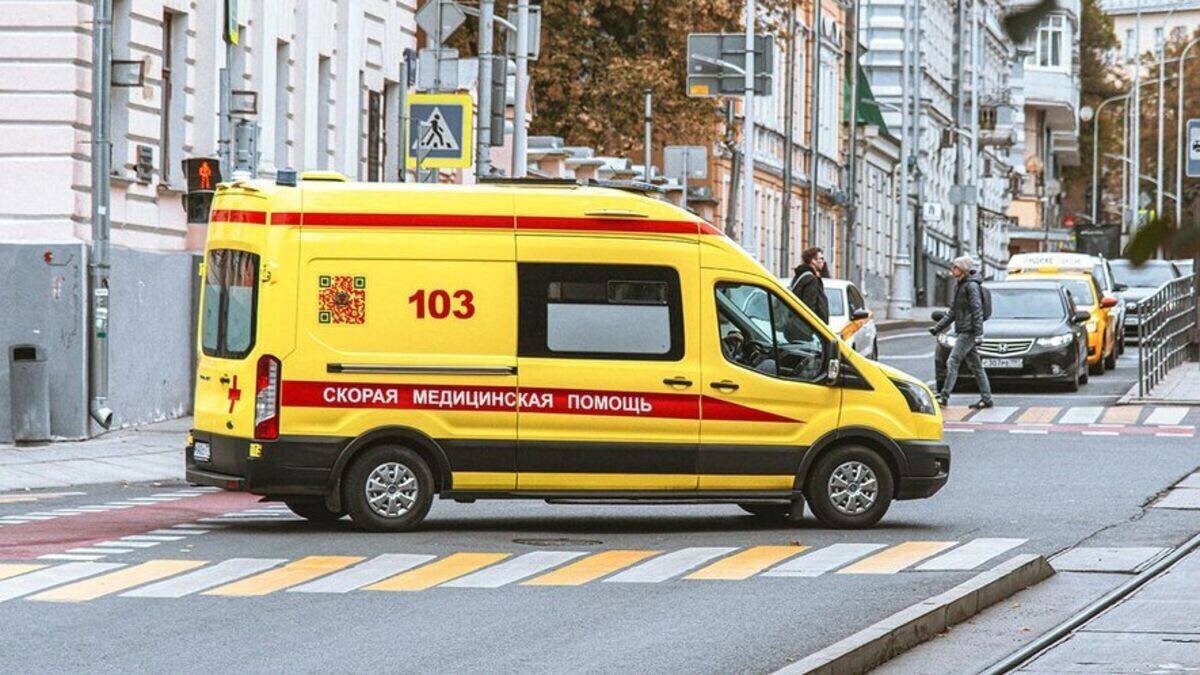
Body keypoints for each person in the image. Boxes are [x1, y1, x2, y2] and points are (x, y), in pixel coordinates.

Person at [930, 256, 993, 409]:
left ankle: (944, 396)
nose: (952, 269)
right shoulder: (960, 285)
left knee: (952, 361)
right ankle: (987, 398)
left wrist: (979, 333)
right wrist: (937, 327)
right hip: (964, 330)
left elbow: (977, 310)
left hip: (969, 331)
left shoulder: (971, 286)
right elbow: (953, 312)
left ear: (963, 269)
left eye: (955, 267)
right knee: (976, 366)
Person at [790, 247, 829, 324]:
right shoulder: (811, 280)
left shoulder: (801, 276)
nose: (823, 262)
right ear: (813, 261)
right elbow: (809, 307)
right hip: (809, 326)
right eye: (821, 259)